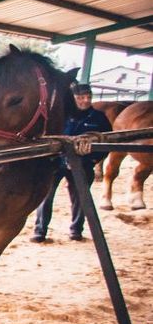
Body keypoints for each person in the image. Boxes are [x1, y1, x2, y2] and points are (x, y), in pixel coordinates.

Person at [31, 83, 112, 243]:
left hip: (83, 164)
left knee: (81, 197)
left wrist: (92, 160)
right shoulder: (60, 115)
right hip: (56, 163)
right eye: (81, 97)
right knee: (46, 196)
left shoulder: (99, 118)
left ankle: (76, 230)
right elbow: (47, 137)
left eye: (88, 97)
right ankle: (40, 231)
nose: (86, 100)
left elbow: (106, 142)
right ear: (73, 98)